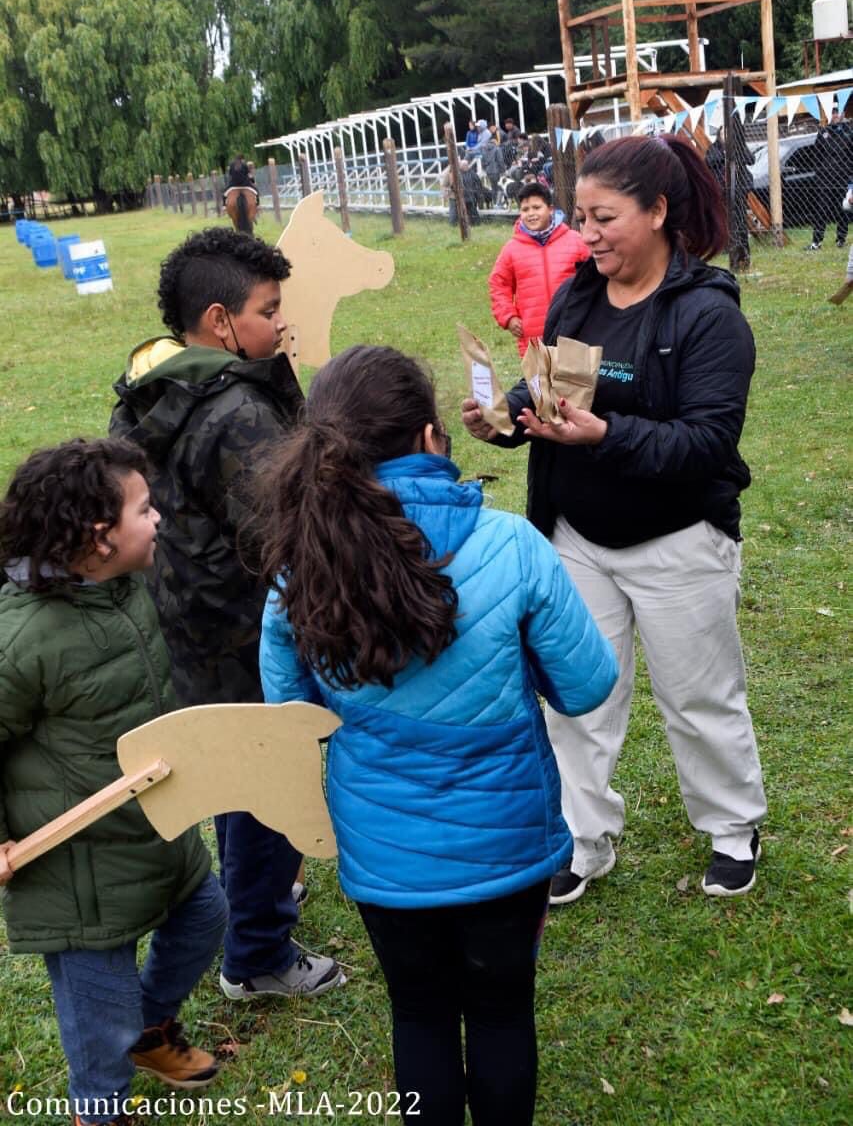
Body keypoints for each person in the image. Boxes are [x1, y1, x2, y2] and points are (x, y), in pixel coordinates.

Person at [256, 346, 617, 1126]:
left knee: (417, 1015)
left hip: (383, 848)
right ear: (429, 436)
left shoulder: (299, 565)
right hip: (506, 839)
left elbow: (291, 714)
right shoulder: (510, 544)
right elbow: (588, 684)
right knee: (500, 1012)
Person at [465, 134, 767, 903]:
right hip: (577, 537)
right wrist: (506, 418)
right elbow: (550, 388)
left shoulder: (707, 315)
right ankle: (581, 837)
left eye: (604, 218)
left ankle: (731, 826)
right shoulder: (579, 295)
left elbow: (705, 443)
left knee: (697, 696)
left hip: (677, 538)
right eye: (581, 217)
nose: (587, 234)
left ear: (657, 212)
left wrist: (605, 435)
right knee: (577, 695)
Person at [109, 227, 343, 1001]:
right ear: (219, 321)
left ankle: (261, 896)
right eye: (268, 310)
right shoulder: (237, 408)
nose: (281, 323)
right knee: (266, 782)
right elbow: (287, 529)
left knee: (239, 785)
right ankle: (258, 955)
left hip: (183, 629)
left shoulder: (150, 386)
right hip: (246, 633)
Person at [0, 438, 228, 1126]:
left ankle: (148, 1030)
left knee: (206, 915)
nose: (158, 519)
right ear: (100, 537)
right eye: (145, 509)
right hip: (75, 868)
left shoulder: (123, 587)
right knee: (100, 1021)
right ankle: (100, 1111)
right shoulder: (23, 638)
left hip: (149, 826)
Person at [488, 181, 590, 358]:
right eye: (525, 209)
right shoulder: (512, 250)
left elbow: (596, 276)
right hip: (534, 339)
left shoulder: (576, 242)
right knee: (540, 376)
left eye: (536, 207)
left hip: (574, 331)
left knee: (575, 374)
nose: (531, 214)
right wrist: (508, 317)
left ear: (550, 209)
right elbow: (498, 284)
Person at [806, 110, 853, 250]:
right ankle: (816, 242)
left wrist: (849, 176)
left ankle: (841, 239)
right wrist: (819, 175)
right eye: (832, 113)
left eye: (838, 112)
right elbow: (815, 156)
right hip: (824, 180)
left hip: (843, 179)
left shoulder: (849, 132)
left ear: (843, 114)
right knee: (821, 209)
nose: (835, 115)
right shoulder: (823, 132)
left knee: (844, 209)